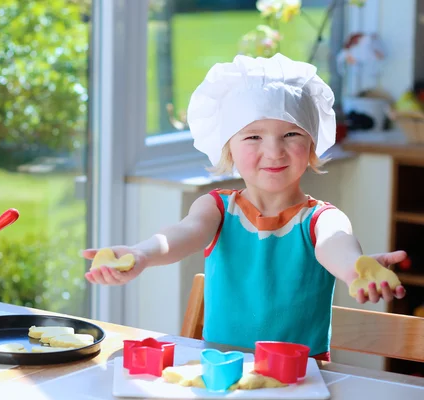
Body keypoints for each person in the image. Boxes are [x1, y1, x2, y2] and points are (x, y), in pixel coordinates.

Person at [82, 53, 406, 361]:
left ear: (311, 144)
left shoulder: (322, 219)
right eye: (253, 137)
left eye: (291, 134)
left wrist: (356, 269)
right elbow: (182, 234)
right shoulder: (217, 209)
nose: (274, 151)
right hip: (219, 371)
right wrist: (141, 254)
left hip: (301, 378)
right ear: (229, 149)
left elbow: (336, 245)